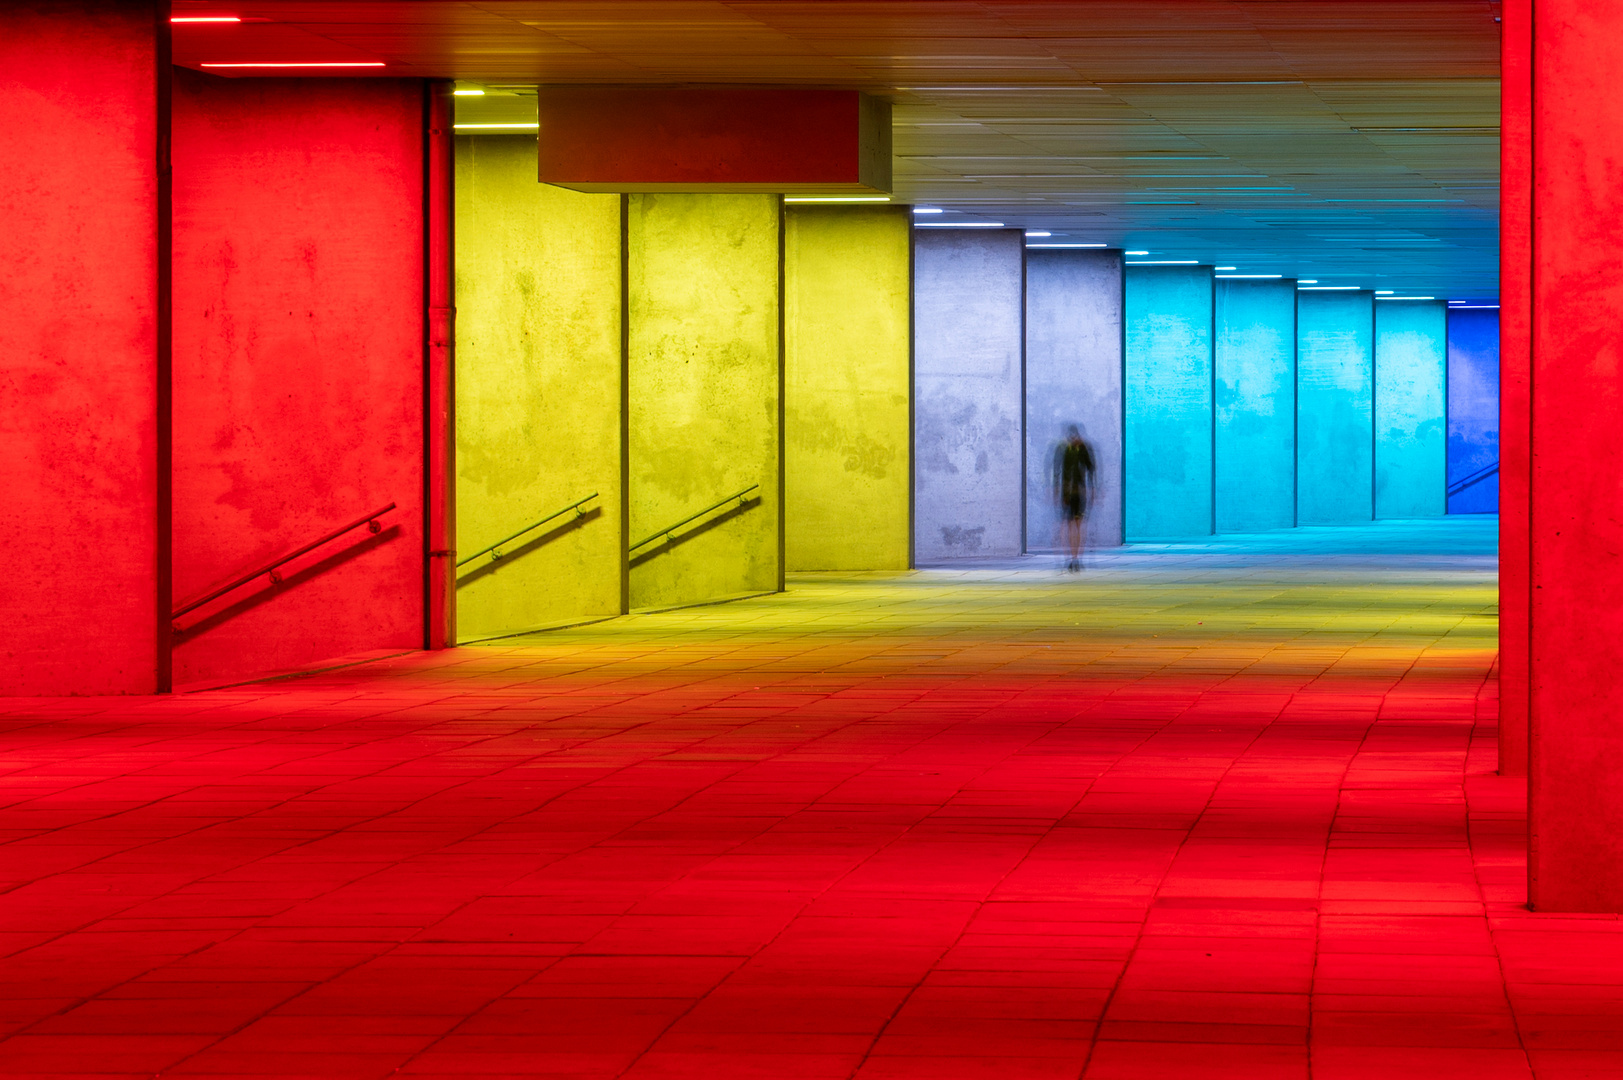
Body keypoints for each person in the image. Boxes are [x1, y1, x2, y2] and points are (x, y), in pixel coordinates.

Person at [1053, 425, 1096, 572]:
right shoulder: (1065, 449)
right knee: (1069, 525)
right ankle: (1071, 558)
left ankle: (1076, 558)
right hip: (1068, 493)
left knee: (1076, 525)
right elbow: (1057, 470)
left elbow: (1091, 469)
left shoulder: (1083, 449)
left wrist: (1092, 490)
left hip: (1078, 492)